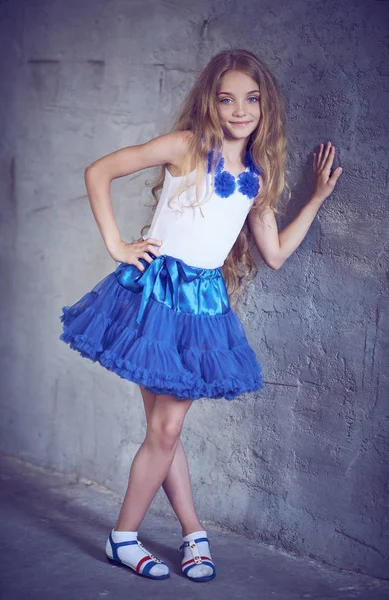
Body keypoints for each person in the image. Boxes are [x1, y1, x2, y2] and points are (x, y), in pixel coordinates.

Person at [59, 48, 342, 583]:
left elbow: (275, 254)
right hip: (152, 295)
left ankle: (192, 533)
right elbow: (100, 171)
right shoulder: (186, 147)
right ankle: (124, 538)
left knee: (163, 431)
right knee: (165, 429)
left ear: (265, 107)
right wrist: (118, 244)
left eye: (252, 99)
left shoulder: (256, 177)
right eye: (227, 98)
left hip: (200, 306)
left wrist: (317, 199)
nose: (240, 110)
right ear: (210, 102)